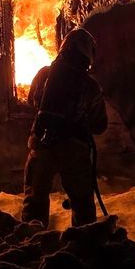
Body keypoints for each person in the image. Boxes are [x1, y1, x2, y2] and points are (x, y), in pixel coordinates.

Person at [22, 27, 108, 227]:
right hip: (74, 151)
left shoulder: (44, 74)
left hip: (41, 146)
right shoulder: (89, 86)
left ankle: (30, 246)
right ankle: (82, 247)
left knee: (34, 202)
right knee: (83, 205)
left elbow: (31, 101)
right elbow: (100, 125)